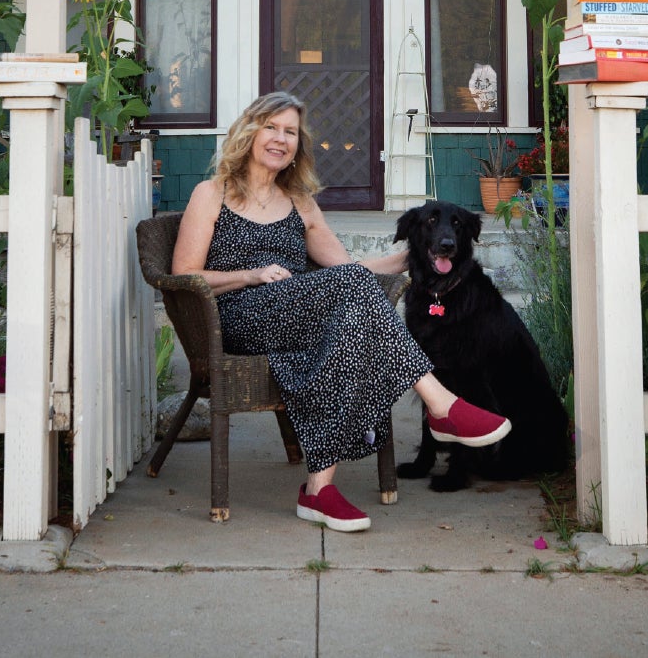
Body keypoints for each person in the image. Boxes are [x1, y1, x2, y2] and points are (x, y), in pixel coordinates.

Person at [172, 90, 511, 533]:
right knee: (353, 297)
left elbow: (349, 271)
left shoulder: (300, 203)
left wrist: (418, 258)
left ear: (299, 144)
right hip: (237, 318)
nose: (280, 139)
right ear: (249, 132)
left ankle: (319, 490)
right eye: (271, 127)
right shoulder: (211, 193)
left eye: (290, 132)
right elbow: (185, 275)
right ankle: (440, 403)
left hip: (299, 317)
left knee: (353, 319)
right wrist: (251, 275)